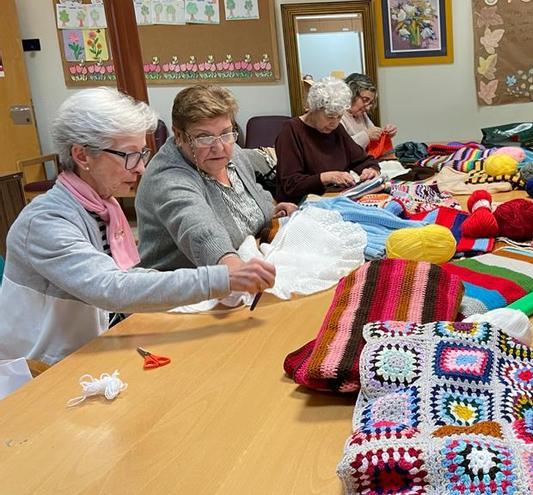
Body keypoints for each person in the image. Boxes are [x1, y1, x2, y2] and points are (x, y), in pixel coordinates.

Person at [0, 88, 276, 365]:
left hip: (92, 349)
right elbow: (111, 287)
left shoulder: (103, 205)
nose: (141, 168)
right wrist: (222, 278)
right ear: (82, 156)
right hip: (40, 372)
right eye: (129, 156)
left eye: (141, 154)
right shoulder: (45, 222)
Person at [136, 85, 297, 271]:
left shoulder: (231, 151)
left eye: (226, 132)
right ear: (179, 136)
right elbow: (199, 229)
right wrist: (231, 266)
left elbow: (248, 197)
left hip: (247, 268)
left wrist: (271, 209)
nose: (219, 147)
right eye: (204, 137)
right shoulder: (168, 178)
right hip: (188, 290)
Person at [274, 76, 380, 202]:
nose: (334, 123)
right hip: (303, 205)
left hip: (335, 199)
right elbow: (291, 184)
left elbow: (362, 160)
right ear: (314, 108)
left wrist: (370, 170)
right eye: (330, 116)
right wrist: (327, 177)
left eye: (339, 117)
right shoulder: (291, 131)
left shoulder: (336, 130)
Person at [341, 73, 397, 150]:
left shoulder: (361, 114)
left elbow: (374, 138)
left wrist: (386, 133)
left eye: (370, 102)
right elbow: (340, 149)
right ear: (351, 94)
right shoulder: (338, 117)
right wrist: (366, 136)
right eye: (365, 100)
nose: (367, 107)